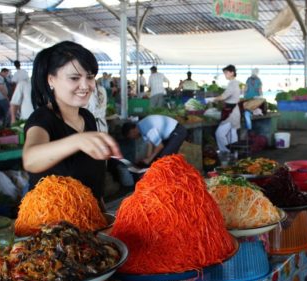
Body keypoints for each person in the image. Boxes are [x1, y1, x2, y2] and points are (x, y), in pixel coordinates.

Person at [23, 40, 122, 200]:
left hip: (91, 219)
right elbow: (30, 159)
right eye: (74, 78)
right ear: (51, 80)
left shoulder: (87, 117)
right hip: (52, 223)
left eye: (90, 77)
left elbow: (94, 180)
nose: (85, 86)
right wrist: (77, 141)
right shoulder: (42, 118)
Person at [122, 115, 188, 166]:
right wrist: (146, 160)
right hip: (171, 134)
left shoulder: (146, 128)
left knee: (163, 158)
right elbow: (150, 144)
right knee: (157, 158)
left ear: (132, 131)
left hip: (178, 131)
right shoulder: (141, 128)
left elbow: (160, 146)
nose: (132, 138)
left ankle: (170, 179)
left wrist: (149, 159)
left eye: (130, 136)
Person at [213, 65, 241, 153]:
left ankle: (226, 153)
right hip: (233, 111)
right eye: (224, 73)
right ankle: (233, 157)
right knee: (231, 135)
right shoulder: (234, 83)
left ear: (232, 73)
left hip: (231, 113)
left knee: (219, 134)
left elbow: (223, 96)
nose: (225, 74)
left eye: (226, 72)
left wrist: (213, 99)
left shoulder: (233, 84)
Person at [244, 68, 263, 133]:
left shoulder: (248, 79)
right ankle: (251, 130)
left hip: (248, 99)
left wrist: (244, 95)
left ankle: (249, 129)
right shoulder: (258, 80)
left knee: (247, 113)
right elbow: (260, 90)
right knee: (253, 113)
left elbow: (245, 89)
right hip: (255, 100)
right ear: (257, 73)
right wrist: (261, 97)